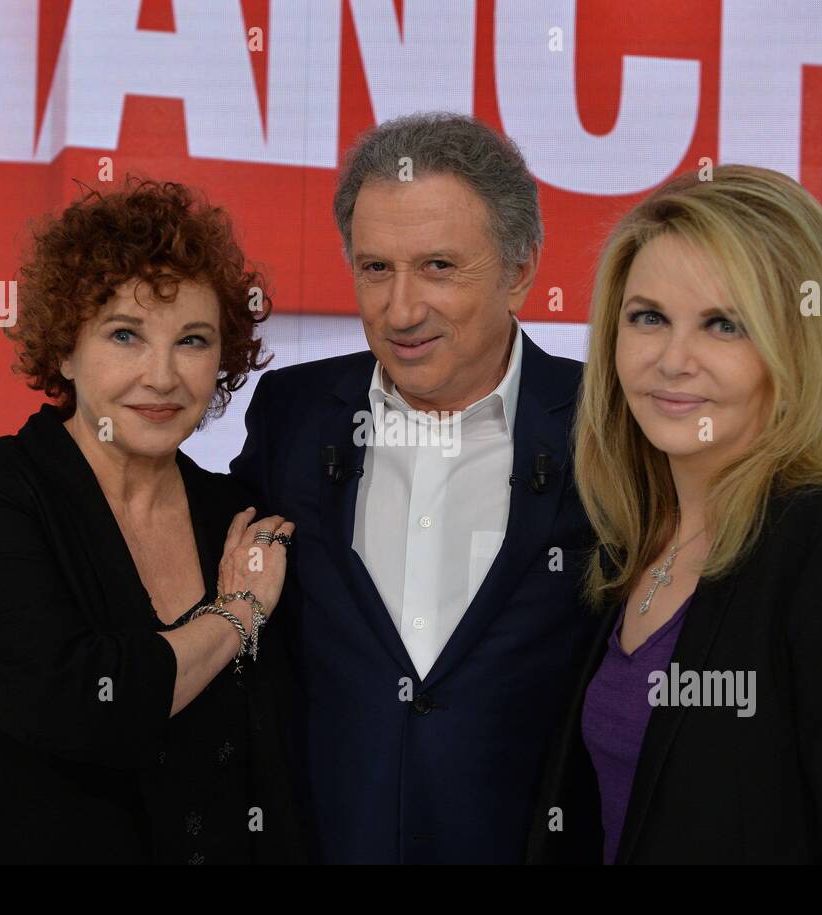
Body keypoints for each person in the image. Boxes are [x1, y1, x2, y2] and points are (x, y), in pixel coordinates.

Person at [527, 164, 822, 864]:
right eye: (648, 317)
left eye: (724, 325)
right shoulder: (630, 537)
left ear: (796, 347)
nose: (673, 360)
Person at [0, 179, 304, 864]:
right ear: (62, 349)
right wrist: (234, 616)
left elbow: (263, 764)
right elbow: (81, 705)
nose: (163, 375)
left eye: (193, 340)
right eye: (125, 334)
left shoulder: (236, 515)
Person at [230, 112, 606, 863]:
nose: (400, 311)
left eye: (438, 267)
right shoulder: (293, 417)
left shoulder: (610, 427)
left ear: (521, 268)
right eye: (375, 268)